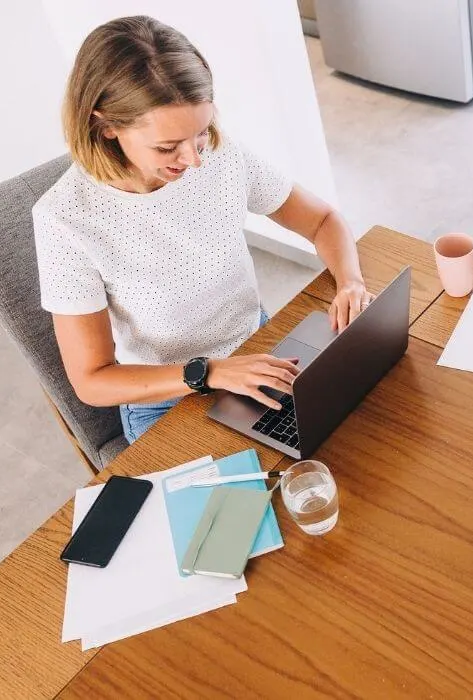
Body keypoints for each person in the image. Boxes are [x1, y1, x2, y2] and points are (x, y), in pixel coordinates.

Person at [34, 16, 372, 443]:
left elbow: (322, 220)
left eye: (199, 133)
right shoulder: (66, 220)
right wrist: (209, 372)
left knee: (361, 435)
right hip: (168, 396)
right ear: (106, 126)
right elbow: (92, 380)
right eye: (166, 147)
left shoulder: (219, 154)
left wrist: (351, 282)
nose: (194, 160)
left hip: (259, 350)